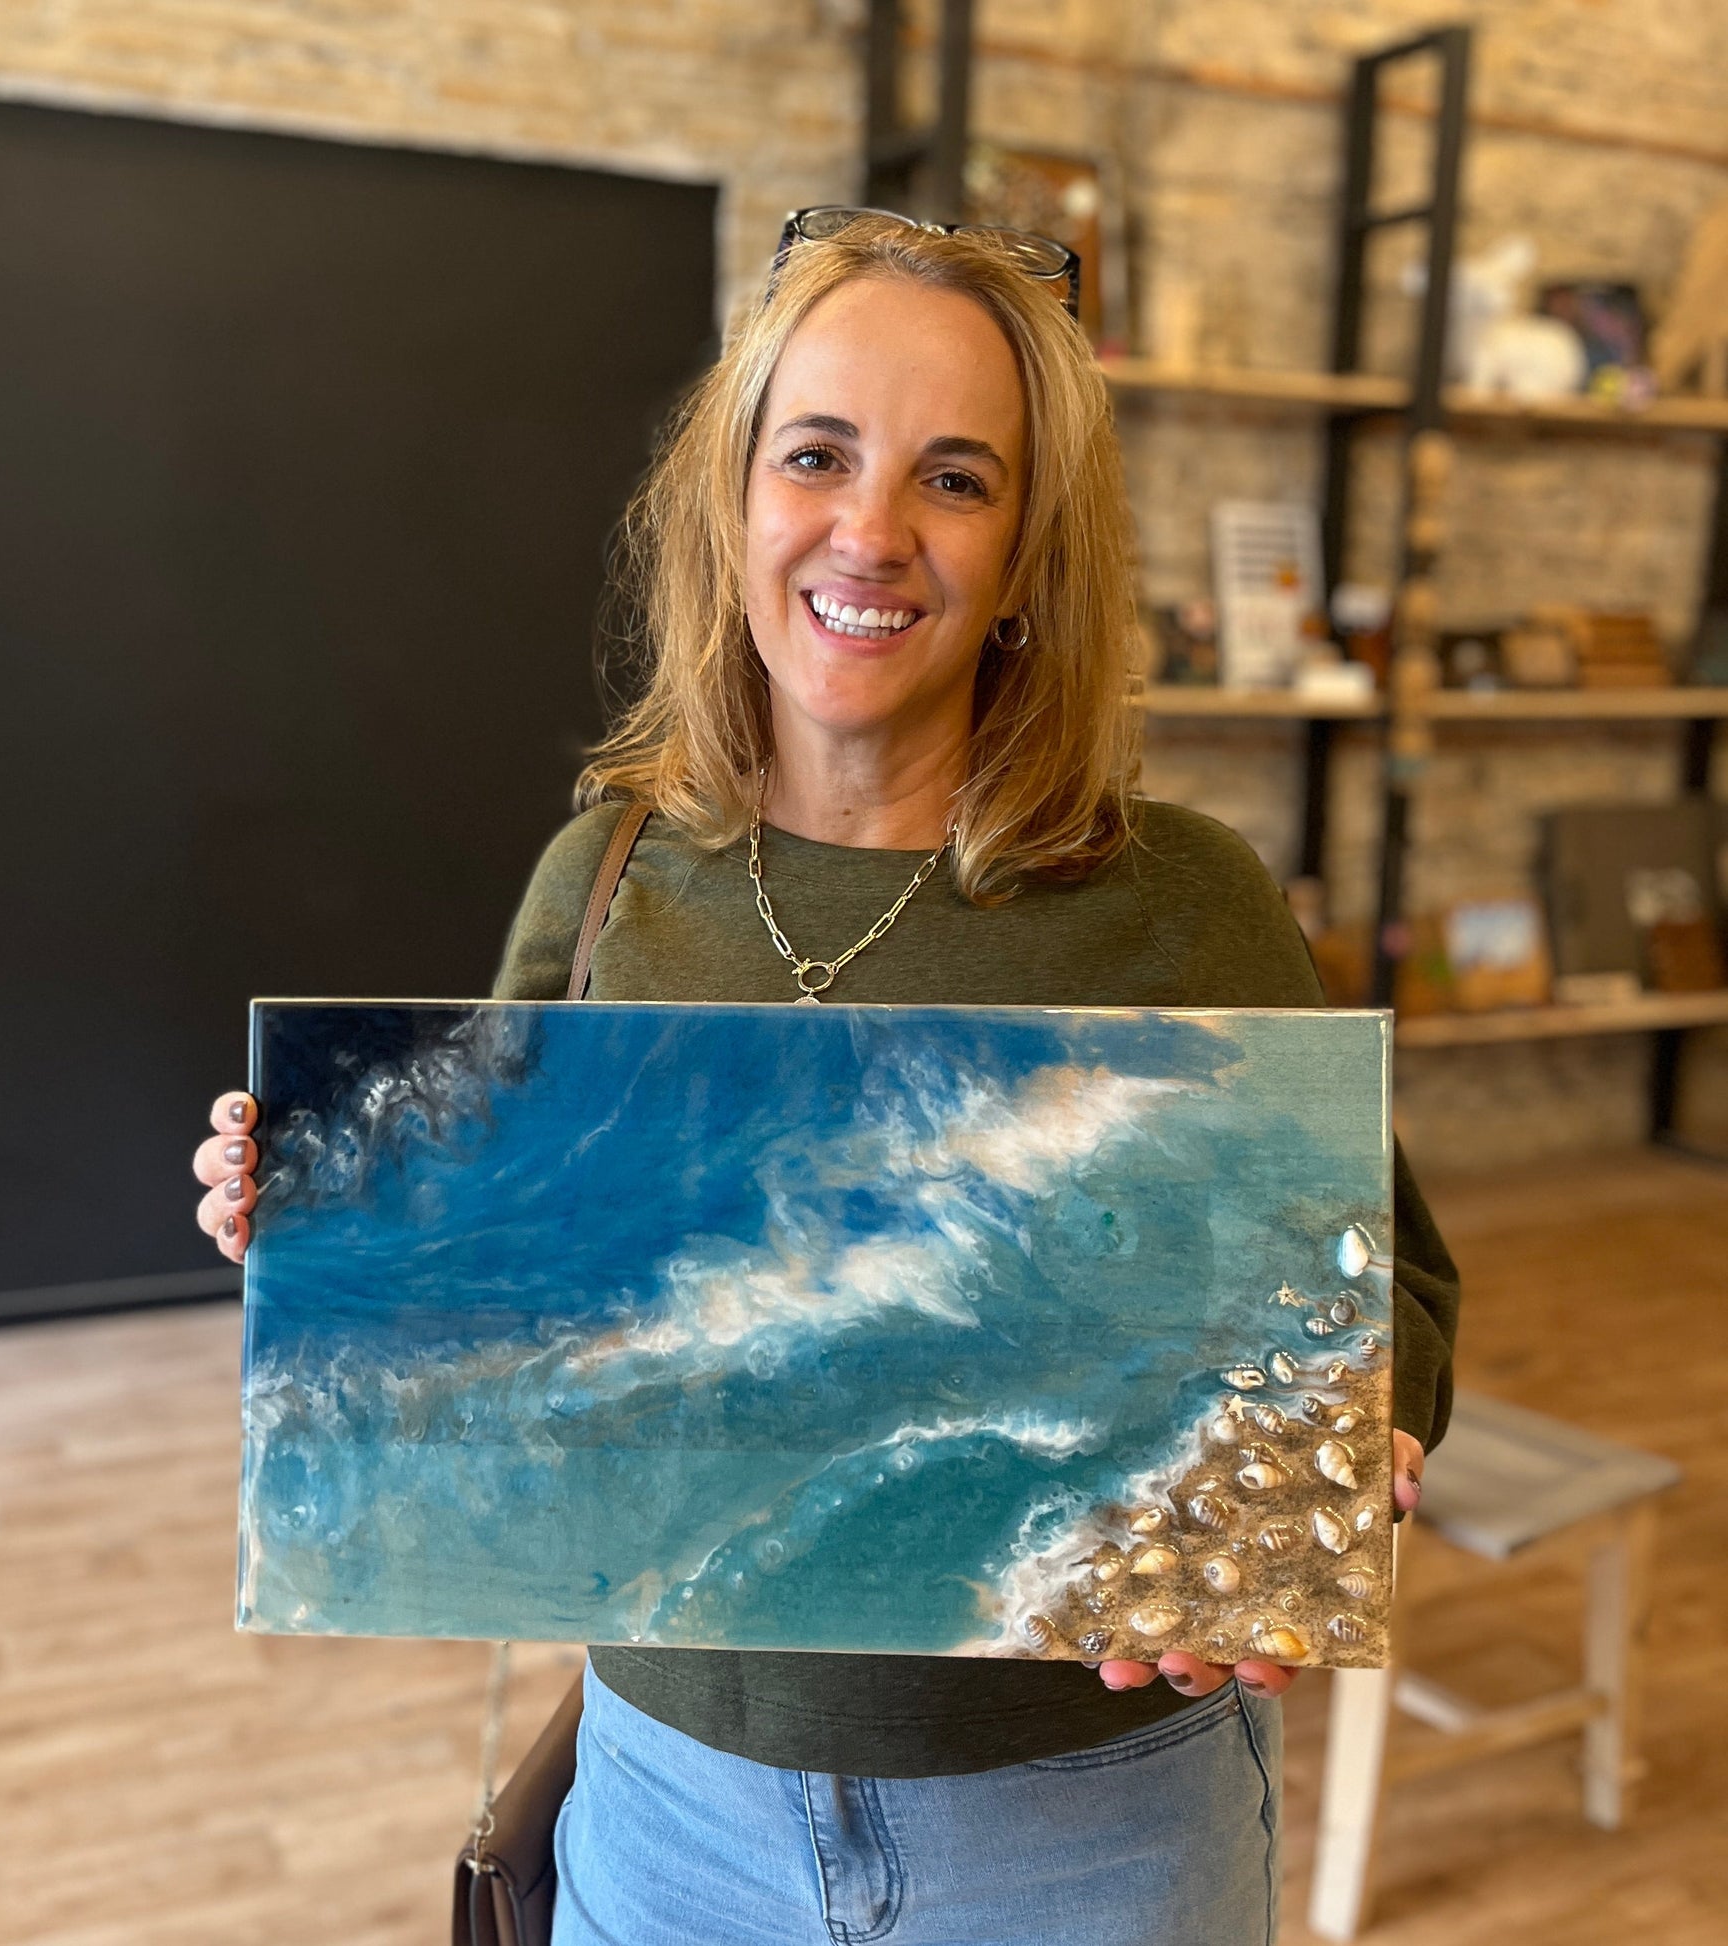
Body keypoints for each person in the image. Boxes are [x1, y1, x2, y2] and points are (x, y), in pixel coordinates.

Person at [192, 211, 1460, 1946]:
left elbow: (1390, 1284)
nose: (870, 529)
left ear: (1026, 559)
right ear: (732, 502)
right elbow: (493, 1287)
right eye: (817, 455)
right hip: (667, 1798)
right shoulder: (606, 878)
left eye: (955, 478)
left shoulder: (1179, 901)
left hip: (1084, 1819)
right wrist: (327, 1231)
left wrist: (1348, 1434)